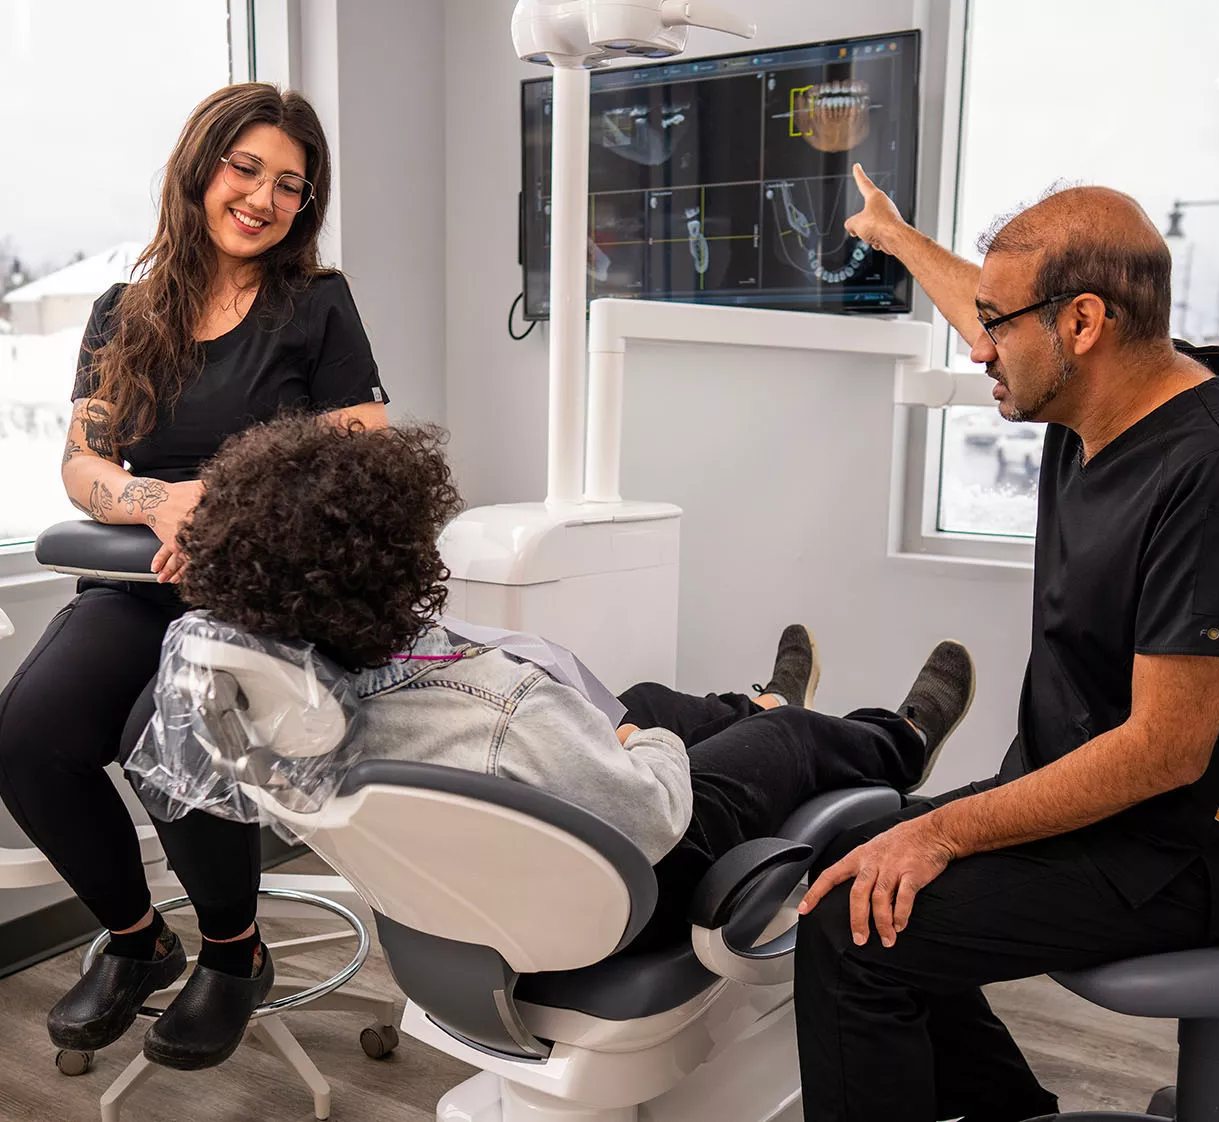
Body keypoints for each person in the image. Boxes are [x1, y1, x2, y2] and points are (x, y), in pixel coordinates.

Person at [788, 167, 1219, 1122]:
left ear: (1081, 324)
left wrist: (942, 828)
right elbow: (995, 310)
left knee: (854, 928)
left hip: (1190, 847)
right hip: (1104, 803)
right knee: (862, 862)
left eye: (996, 328)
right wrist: (898, 238)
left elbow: (1165, 751)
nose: (980, 347)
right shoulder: (1098, 396)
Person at [155, 414, 977, 954]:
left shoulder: (295, 706)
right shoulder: (499, 706)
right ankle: (892, 742)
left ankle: (758, 701)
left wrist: (631, 726)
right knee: (764, 740)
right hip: (633, 889)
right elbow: (650, 810)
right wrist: (633, 745)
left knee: (650, 696)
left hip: (472, 895)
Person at [0, 83, 389, 1072]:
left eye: (291, 186)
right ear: (200, 166)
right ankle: (138, 943)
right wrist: (153, 502)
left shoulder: (316, 305)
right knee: (28, 735)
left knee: (162, 737)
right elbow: (82, 467)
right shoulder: (121, 312)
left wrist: (214, 498)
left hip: (263, 595)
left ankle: (232, 952)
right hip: (140, 583)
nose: (263, 197)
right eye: (245, 168)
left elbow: (363, 444)